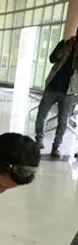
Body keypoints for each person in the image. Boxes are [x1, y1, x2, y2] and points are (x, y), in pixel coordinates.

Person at [35, 26, 78, 159]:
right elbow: (52, 58)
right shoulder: (64, 43)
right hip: (52, 87)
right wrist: (65, 49)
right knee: (42, 115)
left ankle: (56, 146)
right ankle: (39, 141)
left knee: (63, 120)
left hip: (69, 91)